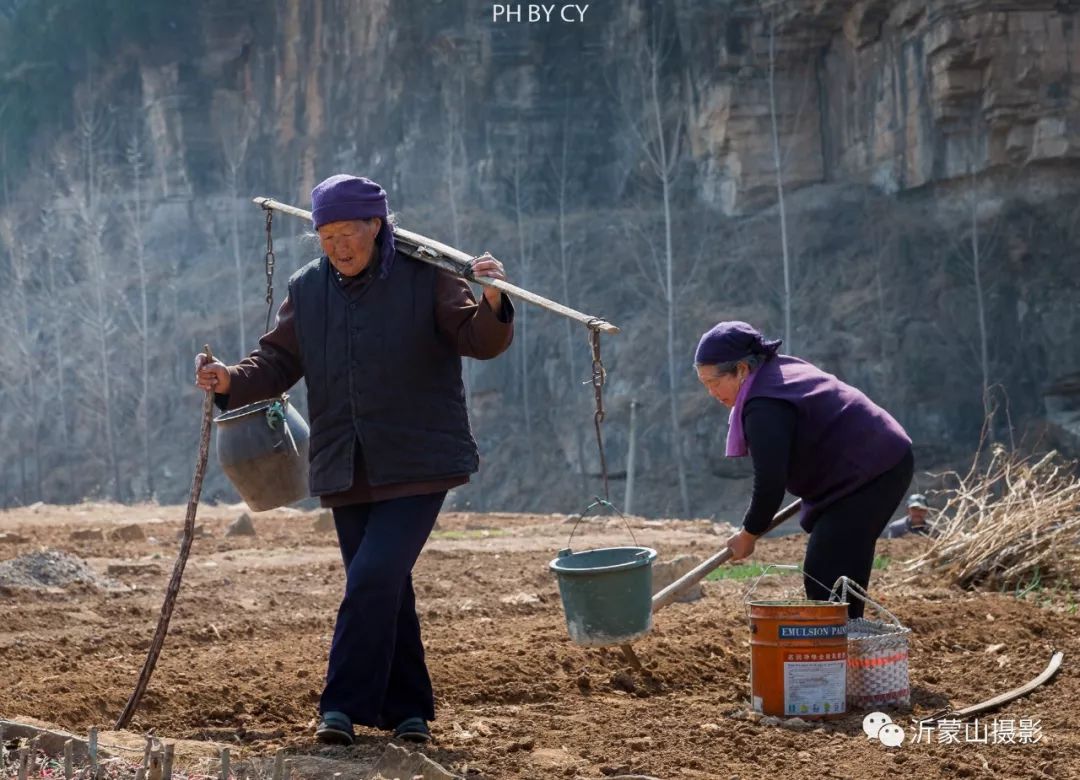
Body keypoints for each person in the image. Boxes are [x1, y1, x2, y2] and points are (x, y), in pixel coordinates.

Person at [194, 174, 514, 746]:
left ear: (377, 227)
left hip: (420, 460)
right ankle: (409, 710)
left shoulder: (426, 275)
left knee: (371, 576)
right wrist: (228, 380)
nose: (339, 246)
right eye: (327, 235)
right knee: (386, 586)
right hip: (346, 463)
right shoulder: (309, 288)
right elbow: (275, 361)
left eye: (350, 233)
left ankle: (340, 705)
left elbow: (478, 339)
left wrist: (491, 299)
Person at [694, 321, 913, 619]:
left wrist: (748, 533)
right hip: (861, 469)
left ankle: (838, 651)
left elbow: (770, 482)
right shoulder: (775, 375)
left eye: (715, 382)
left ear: (742, 370)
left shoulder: (764, 404)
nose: (711, 392)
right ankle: (847, 645)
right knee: (837, 571)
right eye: (704, 384)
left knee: (826, 568)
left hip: (873, 470)